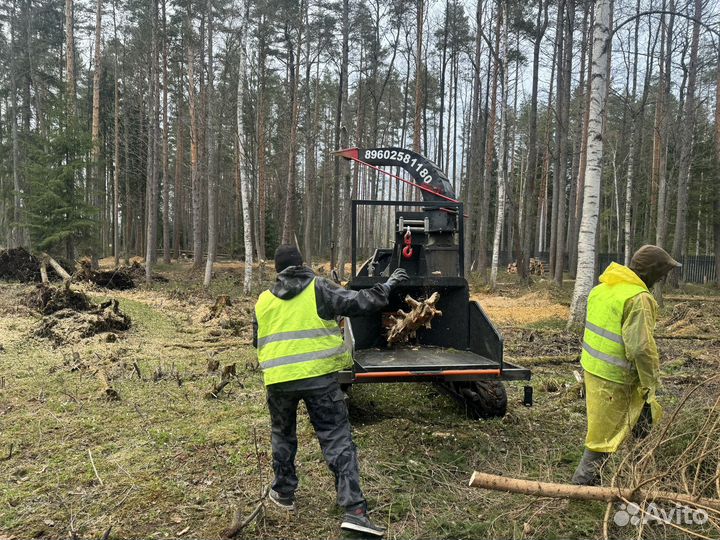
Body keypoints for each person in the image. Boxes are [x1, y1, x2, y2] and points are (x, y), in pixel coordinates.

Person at [253, 245, 408, 537]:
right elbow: (359, 303)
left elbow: (256, 340)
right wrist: (387, 286)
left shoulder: (263, 301)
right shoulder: (318, 287)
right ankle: (355, 511)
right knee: (336, 438)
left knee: (282, 436)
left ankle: (283, 494)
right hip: (319, 379)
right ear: (302, 264)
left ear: (277, 270)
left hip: (277, 381)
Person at [571, 245, 681, 485]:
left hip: (593, 371)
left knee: (641, 420)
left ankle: (639, 474)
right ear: (651, 271)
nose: (663, 278)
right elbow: (640, 348)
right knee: (603, 436)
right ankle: (582, 484)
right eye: (662, 272)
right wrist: (651, 380)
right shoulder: (638, 299)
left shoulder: (602, 289)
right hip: (617, 379)